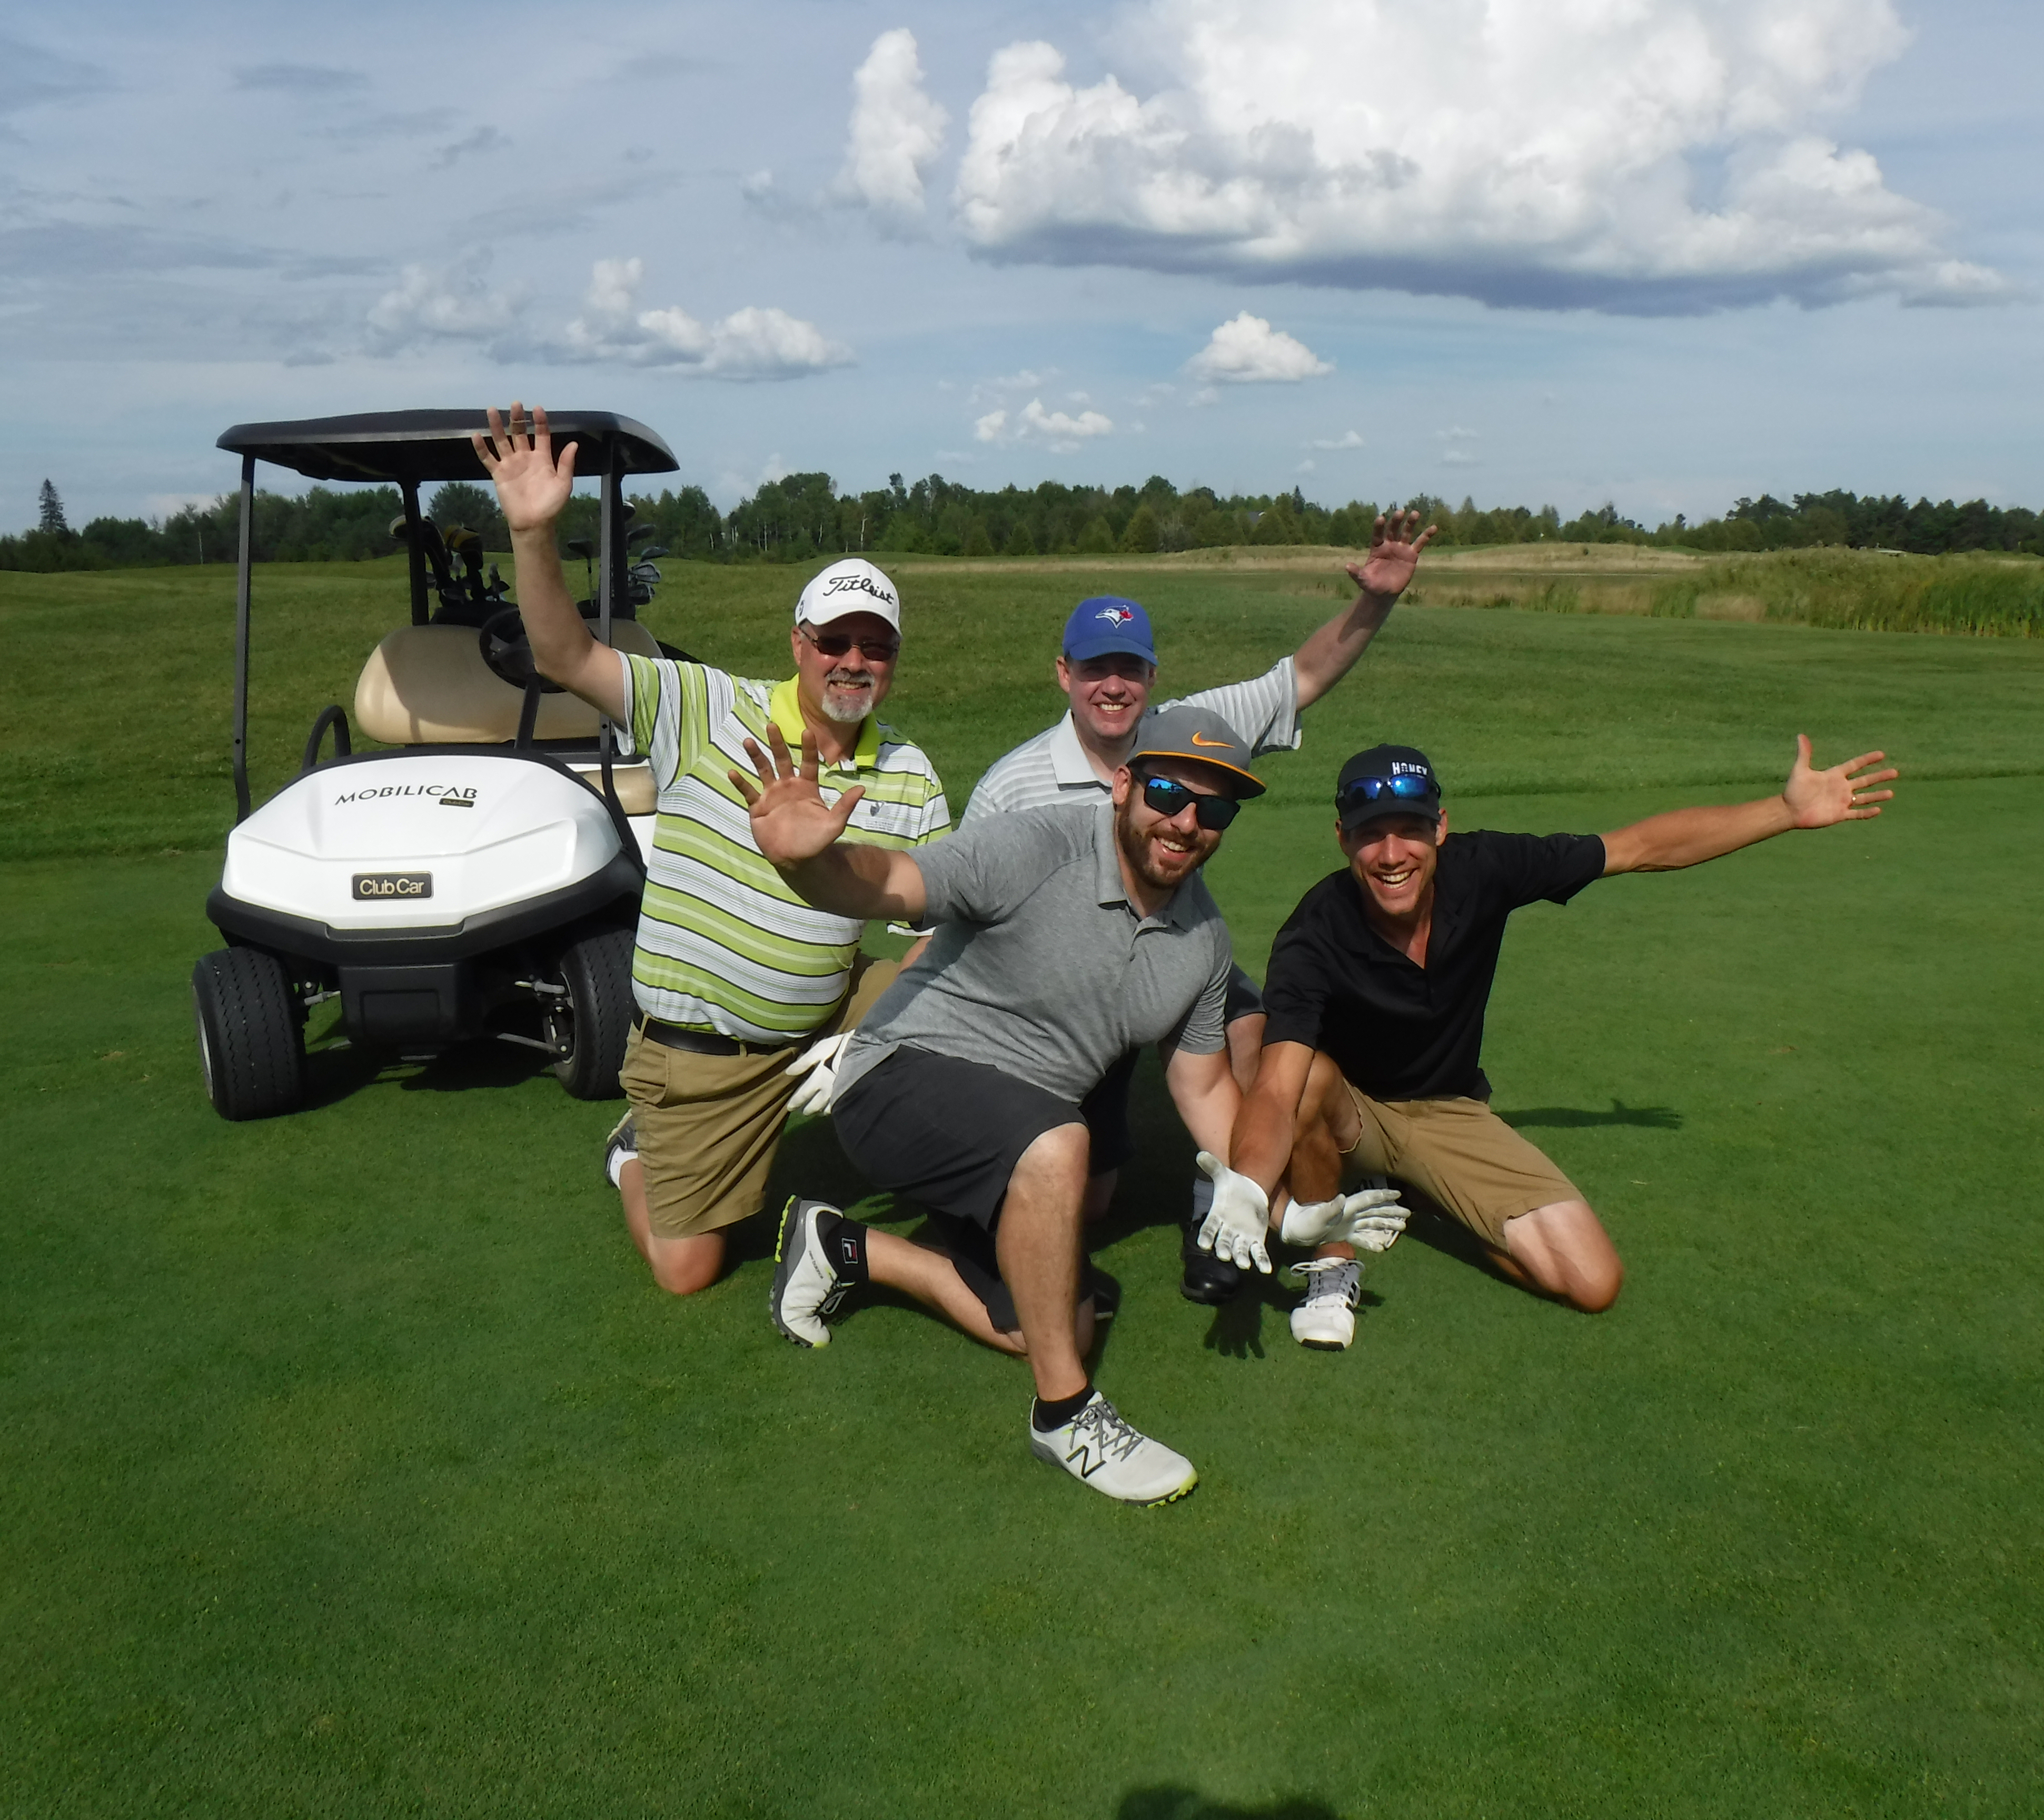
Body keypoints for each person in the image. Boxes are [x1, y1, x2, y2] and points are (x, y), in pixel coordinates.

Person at [732, 705, 1406, 1504]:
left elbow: (1206, 1089)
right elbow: (887, 882)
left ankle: (845, 1248)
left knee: (1052, 1323)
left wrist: (1278, 1208)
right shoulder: (1035, 846)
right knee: (1061, 1145)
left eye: (1214, 808)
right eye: (1167, 792)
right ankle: (1066, 1418)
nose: (1186, 822)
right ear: (1123, 784)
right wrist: (808, 865)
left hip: (1014, 1136)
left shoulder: (1204, 944)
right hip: (900, 1081)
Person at [1199, 735, 1900, 1349]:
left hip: (1448, 1112)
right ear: (1343, 837)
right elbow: (1280, 1085)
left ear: (1440, 827)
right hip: (1348, 1108)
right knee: (1311, 1074)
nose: (1391, 853)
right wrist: (1251, 1192)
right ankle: (1331, 1264)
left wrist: (1783, 811)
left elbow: (1638, 850)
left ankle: (1425, 1193)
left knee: (1591, 1281)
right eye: (1370, 832)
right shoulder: (1313, 933)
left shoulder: (1488, 868)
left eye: (1409, 828)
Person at [473, 403, 949, 1295]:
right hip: (705, 1049)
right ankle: (633, 1153)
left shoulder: (912, 774)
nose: (854, 661)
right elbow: (565, 653)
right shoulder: (702, 706)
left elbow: (954, 916)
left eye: (875, 647)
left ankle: (955, 1182)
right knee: (686, 1271)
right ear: (798, 645)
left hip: (827, 1013)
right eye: (835, 642)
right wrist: (534, 533)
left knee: (970, 1003)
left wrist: (883, 1025)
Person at [960, 510, 1439, 1305]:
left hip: (1176, 964)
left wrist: (1376, 602)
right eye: (1094, 668)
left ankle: (1230, 1210)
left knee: (1251, 1025)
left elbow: (1303, 678)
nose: (1114, 685)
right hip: (1065, 1002)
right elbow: (961, 921)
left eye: (1131, 669)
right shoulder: (1014, 785)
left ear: (1150, 678)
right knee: (1094, 1197)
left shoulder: (1189, 733)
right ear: (1064, 675)